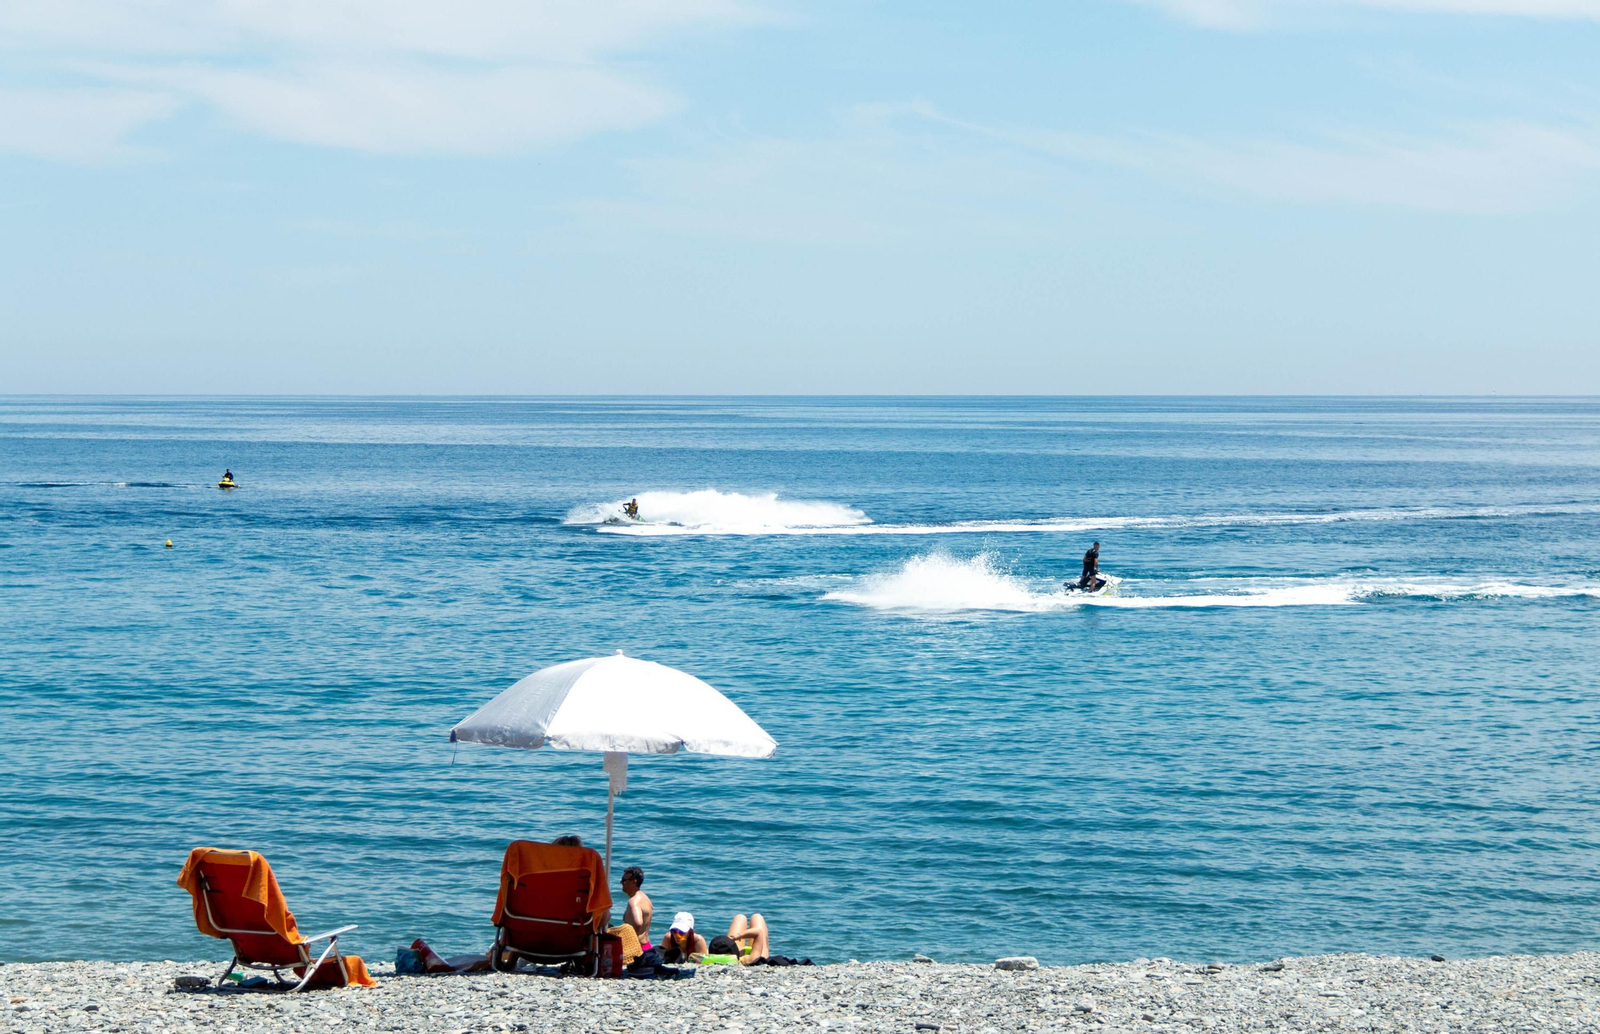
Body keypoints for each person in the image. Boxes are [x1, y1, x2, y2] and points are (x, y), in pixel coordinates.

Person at [620, 866, 653, 952]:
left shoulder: (634, 901)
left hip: (638, 948)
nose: (621, 882)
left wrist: (630, 944)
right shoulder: (646, 899)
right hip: (647, 946)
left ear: (634, 882)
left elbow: (638, 923)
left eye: (624, 880)